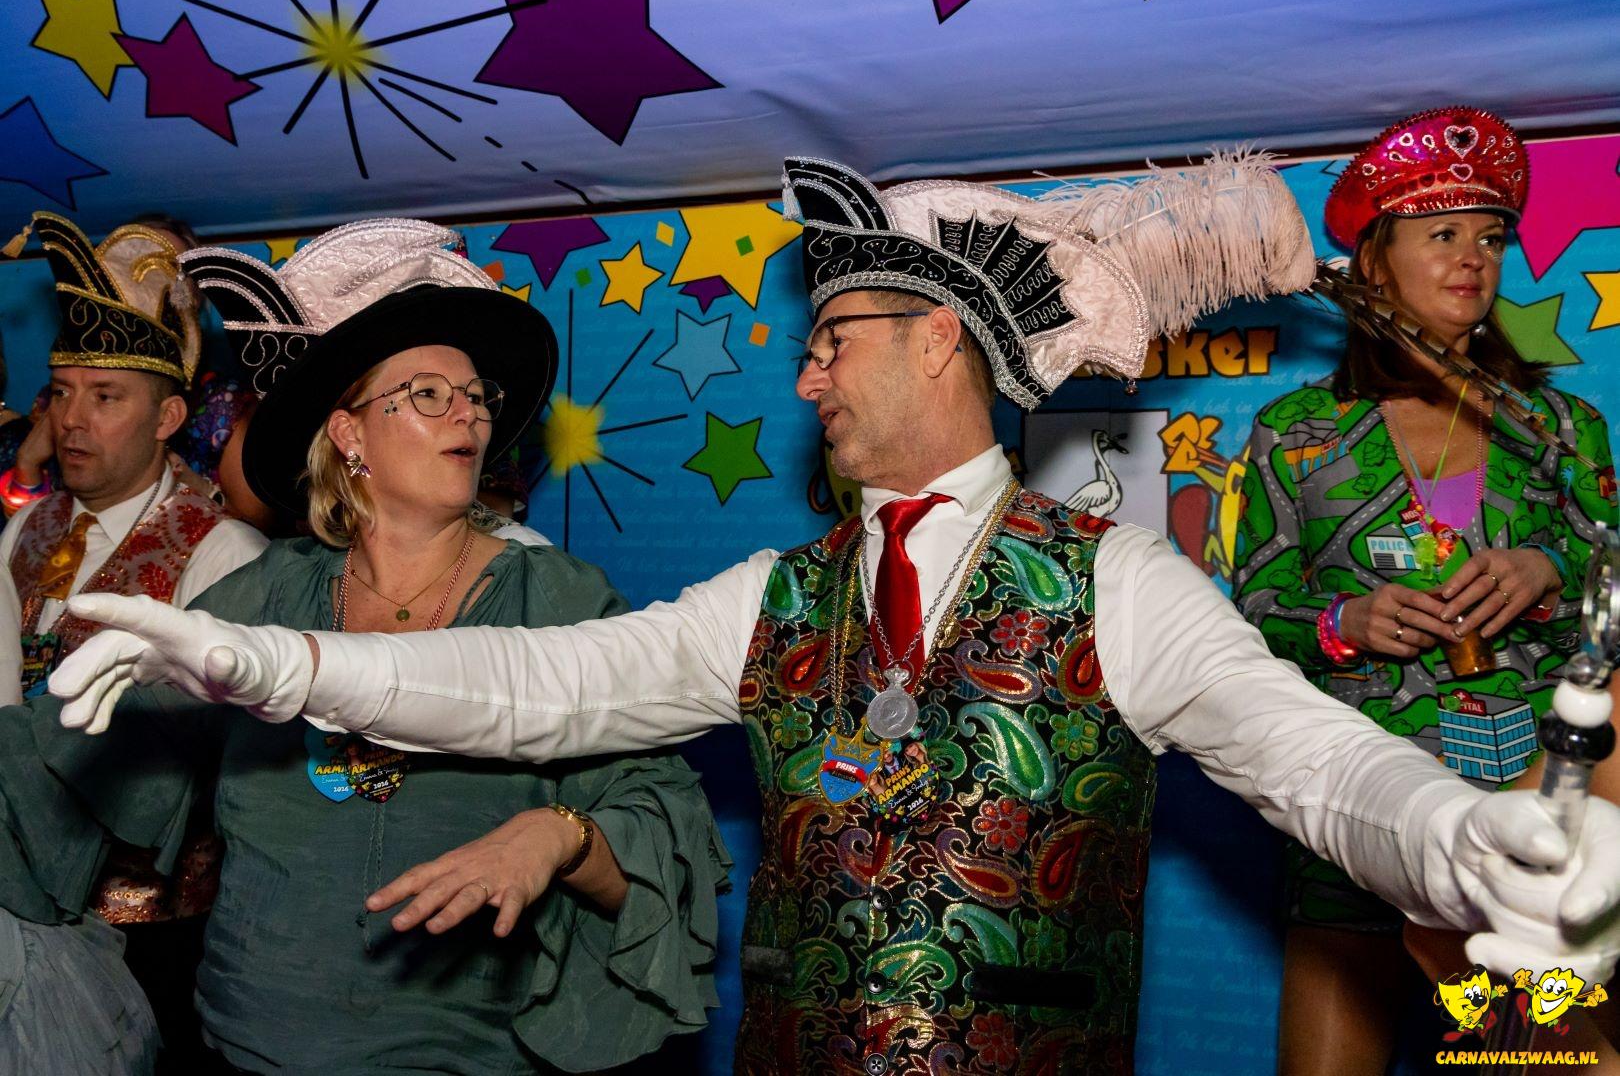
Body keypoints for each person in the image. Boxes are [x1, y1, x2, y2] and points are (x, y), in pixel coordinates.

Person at [53, 159, 1620, 1075]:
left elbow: (1318, 766)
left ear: (938, 341)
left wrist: (1461, 842)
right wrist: (250, 654)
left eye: (835, 338)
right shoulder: (776, 596)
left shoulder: (1118, 581)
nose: (805, 375)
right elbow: (535, 685)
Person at [10, 217, 729, 1074]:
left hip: (468, 1059)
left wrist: (556, 836)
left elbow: (662, 851)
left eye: (477, 396)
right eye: (428, 394)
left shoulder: (558, 601)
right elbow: (50, 765)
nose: (469, 413)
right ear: (349, 435)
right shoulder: (266, 595)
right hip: (250, 1048)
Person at [1231, 107, 1620, 1074]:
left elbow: (1615, 584)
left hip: (1536, 811)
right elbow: (1249, 619)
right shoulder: (1296, 432)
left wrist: (1549, 571)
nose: (1473, 258)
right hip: (1358, 799)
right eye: (1441, 234)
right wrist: (1344, 621)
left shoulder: (1563, 427)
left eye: (1490, 237)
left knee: (1543, 1059)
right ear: (1374, 261)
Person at [0, 213, 269, 1072]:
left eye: (106, 397)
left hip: (160, 933)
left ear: (168, 416)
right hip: (22, 908)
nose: (72, 419)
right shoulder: (24, 530)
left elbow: (209, 756)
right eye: (62, 392)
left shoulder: (222, 549)